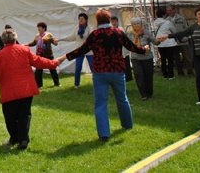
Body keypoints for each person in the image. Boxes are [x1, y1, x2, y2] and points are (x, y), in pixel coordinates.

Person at [0, 28, 63, 149]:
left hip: (9, 92)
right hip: (26, 90)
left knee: (10, 117)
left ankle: (15, 138)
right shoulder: (24, 50)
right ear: (15, 38)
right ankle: (23, 139)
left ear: (3, 41)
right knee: (24, 116)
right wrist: (55, 62)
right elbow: (39, 62)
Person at [59, 10, 148, 142]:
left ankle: (104, 134)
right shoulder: (118, 32)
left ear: (97, 20)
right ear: (108, 20)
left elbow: (82, 50)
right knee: (122, 99)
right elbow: (131, 47)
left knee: (100, 104)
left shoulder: (95, 34)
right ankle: (127, 125)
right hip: (117, 71)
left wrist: (64, 57)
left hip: (100, 72)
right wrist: (144, 49)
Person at [59, 13, 94, 87]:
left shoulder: (90, 28)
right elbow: (71, 37)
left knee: (92, 67)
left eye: (82, 19)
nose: (80, 20)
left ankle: (96, 83)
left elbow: (92, 39)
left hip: (89, 51)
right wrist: (60, 39)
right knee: (78, 68)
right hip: (79, 51)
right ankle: (76, 84)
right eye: (79, 19)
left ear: (86, 20)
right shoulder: (76, 28)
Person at [126, 18, 157, 100]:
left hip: (147, 58)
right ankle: (143, 94)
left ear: (141, 24)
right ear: (132, 26)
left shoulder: (147, 32)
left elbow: (155, 41)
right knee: (138, 75)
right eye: (134, 24)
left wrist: (159, 40)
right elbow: (126, 44)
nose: (136, 25)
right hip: (135, 58)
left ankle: (149, 93)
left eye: (138, 23)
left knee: (148, 76)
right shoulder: (130, 34)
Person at [27, 22, 60, 88]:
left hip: (48, 55)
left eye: (39, 27)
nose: (38, 28)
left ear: (44, 28)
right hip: (39, 56)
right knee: (38, 70)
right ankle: (39, 85)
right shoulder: (37, 35)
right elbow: (33, 43)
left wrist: (53, 40)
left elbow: (55, 43)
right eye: (38, 27)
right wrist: (26, 44)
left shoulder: (49, 34)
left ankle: (57, 83)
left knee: (52, 69)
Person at [166, 4, 193, 76]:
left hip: (183, 41)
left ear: (174, 10)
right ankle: (180, 73)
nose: (169, 12)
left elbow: (187, 28)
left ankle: (190, 72)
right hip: (173, 42)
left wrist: (186, 37)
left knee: (187, 57)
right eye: (168, 11)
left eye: (170, 10)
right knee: (176, 58)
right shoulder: (166, 20)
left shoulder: (181, 18)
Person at [154, 6, 178, 80]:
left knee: (163, 59)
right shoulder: (168, 22)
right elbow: (174, 31)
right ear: (164, 14)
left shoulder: (154, 22)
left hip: (160, 43)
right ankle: (171, 75)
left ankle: (164, 75)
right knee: (170, 59)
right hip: (169, 43)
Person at [112, 16, 133, 82]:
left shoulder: (120, 29)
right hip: (115, 52)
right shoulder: (110, 29)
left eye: (115, 21)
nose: (114, 22)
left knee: (125, 67)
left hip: (123, 51)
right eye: (112, 21)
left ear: (117, 21)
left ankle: (125, 79)